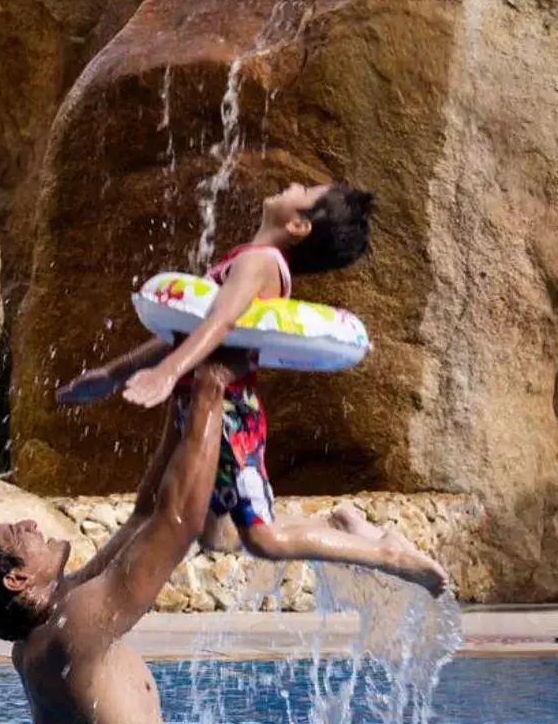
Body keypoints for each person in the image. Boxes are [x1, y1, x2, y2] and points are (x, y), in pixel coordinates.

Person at [56, 180, 446, 597]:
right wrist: (111, 375)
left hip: (228, 414)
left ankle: (388, 553)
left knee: (263, 538)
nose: (293, 183)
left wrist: (168, 372)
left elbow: (221, 321)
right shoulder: (248, 259)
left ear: (298, 225)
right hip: (197, 403)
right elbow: (185, 331)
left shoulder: (260, 262)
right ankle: (72, 590)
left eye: (305, 189)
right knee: (188, 525)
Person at [0, 359, 241, 724]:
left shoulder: (45, 634)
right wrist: (211, 391)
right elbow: (178, 519)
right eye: (17, 534)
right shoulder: (72, 629)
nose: (30, 523)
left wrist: (180, 400)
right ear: (17, 579)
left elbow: (144, 516)